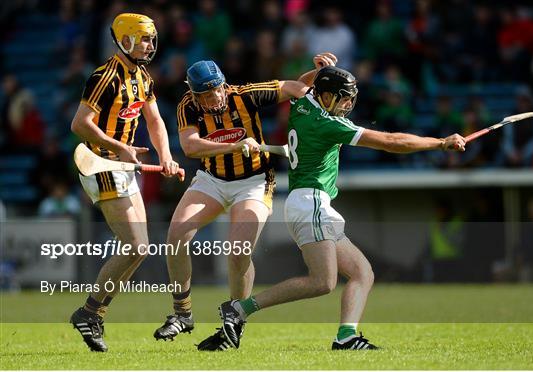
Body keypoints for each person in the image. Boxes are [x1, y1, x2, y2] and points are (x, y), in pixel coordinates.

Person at [212, 65, 466, 351]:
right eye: (343, 97)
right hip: (311, 204)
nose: (348, 104)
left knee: (362, 273)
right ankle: (241, 309)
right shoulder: (328, 124)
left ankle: (346, 337)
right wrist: (441, 143)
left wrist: (317, 70)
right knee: (322, 282)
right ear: (326, 96)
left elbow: (301, 83)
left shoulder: (302, 103)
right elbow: (390, 142)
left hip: (312, 204)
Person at [153, 54, 338, 350]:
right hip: (212, 180)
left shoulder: (245, 95)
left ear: (224, 84)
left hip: (254, 182)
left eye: (217, 89)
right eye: (205, 94)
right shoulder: (187, 106)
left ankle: (233, 322)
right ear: (193, 93)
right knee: (176, 236)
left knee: (238, 252)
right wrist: (236, 144)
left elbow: (294, 88)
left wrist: (319, 75)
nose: (215, 98)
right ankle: (182, 314)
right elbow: (190, 146)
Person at [69, 13, 183, 352]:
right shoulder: (105, 77)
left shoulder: (143, 76)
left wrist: (166, 156)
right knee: (134, 245)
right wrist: (120, 148)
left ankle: (90, 313)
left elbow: (155, 120)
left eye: (151, 39)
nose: (149, 46)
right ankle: (89, 313)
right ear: (126, 39)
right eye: (144, 39)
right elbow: (79, 123)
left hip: (123, 165)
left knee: (141, 248)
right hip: (101, 163)